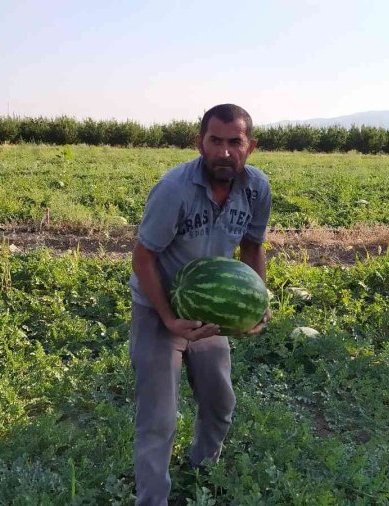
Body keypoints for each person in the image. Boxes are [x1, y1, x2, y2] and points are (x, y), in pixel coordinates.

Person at [128, 103, 273, 505]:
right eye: (215, 141)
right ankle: (152, 500)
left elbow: (252, 247)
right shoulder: (174, 190)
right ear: (200, 143)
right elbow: (143, 258)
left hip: (209, 307)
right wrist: (169, 318)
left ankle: (202, 470)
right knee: (158, 417)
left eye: (235, 142)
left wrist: (256, 301)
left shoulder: (257, 189)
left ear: (250, 146)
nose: (224, 151)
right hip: (159, 305)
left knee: (219, 401)